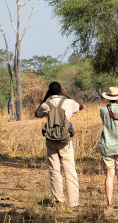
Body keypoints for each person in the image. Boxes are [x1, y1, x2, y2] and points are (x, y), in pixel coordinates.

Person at [35, 81, 84, 210]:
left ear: (50, 92)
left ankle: (59, 200)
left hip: (51, 140)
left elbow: (37, 114)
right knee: (70, 170)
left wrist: (45, 97)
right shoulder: (69, 103)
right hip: (65, 140)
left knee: (55, 170)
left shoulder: (46, 105)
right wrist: (67, 94)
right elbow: (81, 106)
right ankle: (74, 203)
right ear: (61, 91)